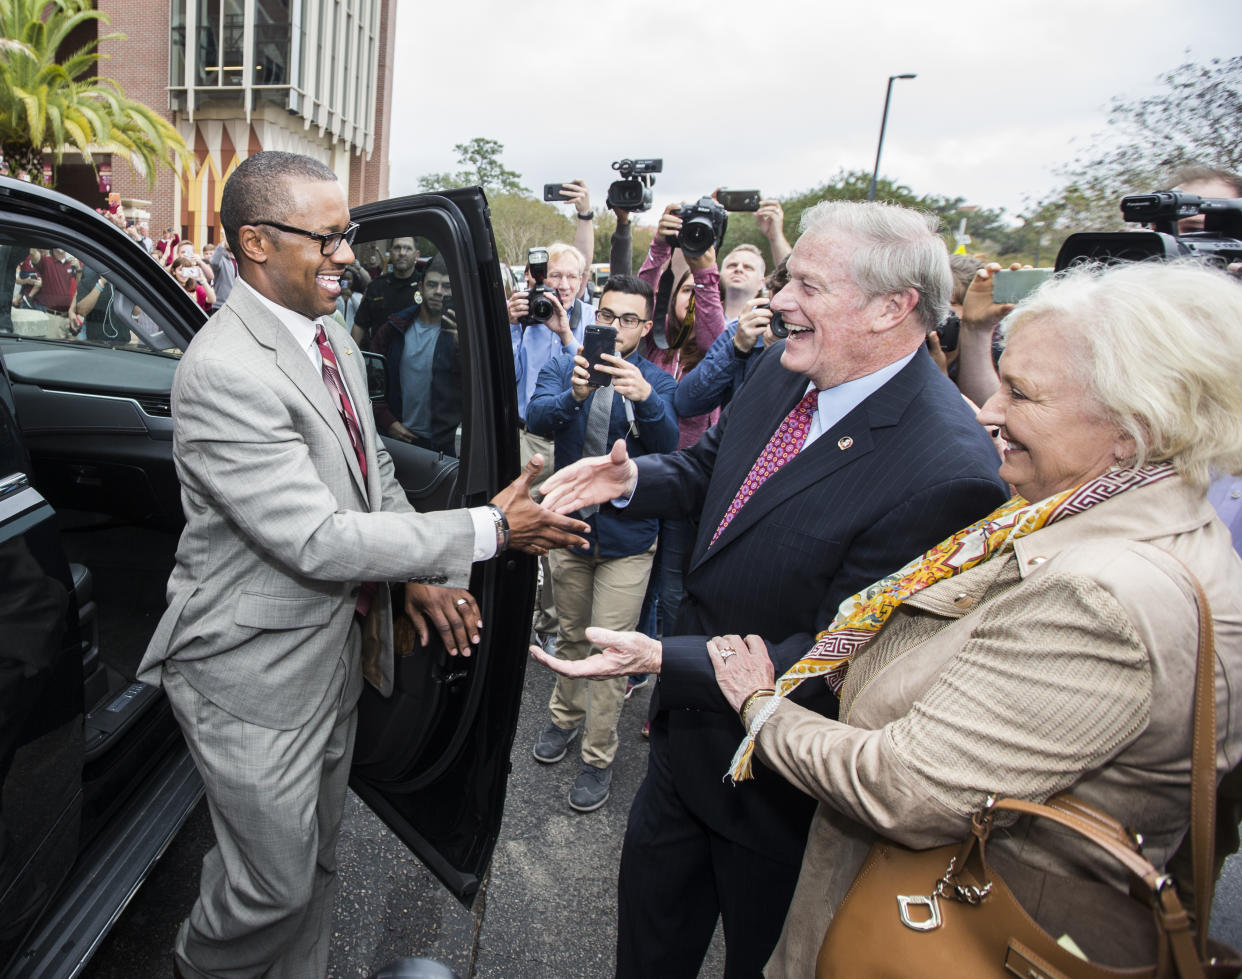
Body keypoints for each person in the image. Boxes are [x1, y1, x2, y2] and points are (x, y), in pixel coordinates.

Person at [691, 258, 1242, 975]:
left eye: (1021, 393)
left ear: (1133, 429)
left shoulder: (1103, 598)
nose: (988, 411)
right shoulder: (1095, 514)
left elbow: (900, 788)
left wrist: (761, 706)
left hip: (946, 929)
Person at [135, 150, 588, 979]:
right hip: (250, 675)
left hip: (331, 658)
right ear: (257, 243)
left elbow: (371, 473)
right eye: (332, 238)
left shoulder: (333, 340)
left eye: (348, 236)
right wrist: (490, 527)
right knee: (265, 888)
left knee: (314, 867)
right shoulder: (223, 371)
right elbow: (316, 539)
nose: (351, 255)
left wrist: (414, 574)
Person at [536, 200, 1009, 977]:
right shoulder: (785, 368)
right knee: (647, 951)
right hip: (684, 755)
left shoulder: (948, 469)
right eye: (786, 281)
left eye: (808, 287)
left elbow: (844, 655)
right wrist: (629, 481)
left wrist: (664, 656)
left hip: (787, 797)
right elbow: (706, 469)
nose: (780, 301)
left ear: (892, 308)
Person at [526, 274, 678, 812]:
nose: (616, 328)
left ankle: (598, 755)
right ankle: (563, 721)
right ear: (596, 317)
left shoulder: (656, 379)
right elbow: (537, 417)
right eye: (608, 316)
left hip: (629, 540)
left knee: (612, 650)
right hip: (570, 532)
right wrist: (575, 393)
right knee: (569, 634)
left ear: (646, 326)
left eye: (630, 319)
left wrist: (648, 400)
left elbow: (672, 451)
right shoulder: (567, 365)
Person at [508, 241, 596, 639]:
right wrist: (510, 325)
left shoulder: (592, 319)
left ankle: (554, 623)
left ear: (582, 281)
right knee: (521, 528)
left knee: (559, 531)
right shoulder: (526, 318)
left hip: (572, 441)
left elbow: (594, 375)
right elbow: (505, 376)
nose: (561, 285)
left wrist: (564, 333)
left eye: (569, 276)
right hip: (530, 438)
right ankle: (520, 610)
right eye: (554, 275)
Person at [368, 254, 461, 456]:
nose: (438, 292)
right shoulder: (394, 328)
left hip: (443, 446)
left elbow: (477, 388)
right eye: (432, 284)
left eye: (446, 286)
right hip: (398, 439)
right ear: (420, 287)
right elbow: (368, 377)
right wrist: (386, 420)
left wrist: (461, 348)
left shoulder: (462, 333)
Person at [353, 236, 421, 346]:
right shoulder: (376, 286)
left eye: (408, 248)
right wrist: (351, 357)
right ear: (390, 253)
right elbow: (360, 325)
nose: (402, 253)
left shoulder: (423, 286)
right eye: (397, 248)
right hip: (379, 357)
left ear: (416, 255)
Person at [208, 233, 237, 311]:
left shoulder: (240, 262)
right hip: (221, 305)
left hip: (236, 305)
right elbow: (214, 263)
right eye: (228, 240)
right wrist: (222, 243)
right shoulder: (222, 259)